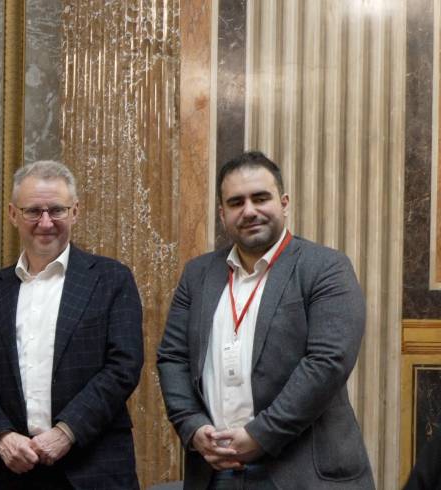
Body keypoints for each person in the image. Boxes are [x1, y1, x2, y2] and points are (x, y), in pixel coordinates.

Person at [158, 151, 373, 489]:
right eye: (236, 202)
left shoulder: (325, 268)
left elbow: (328, 362)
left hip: (301, 472)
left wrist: (260, 435)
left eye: (261, 198)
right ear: (222, 213)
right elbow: (172, 358)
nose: (249, 211)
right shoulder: (197, 274)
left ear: (284, 203)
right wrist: (192, 426)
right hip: (215, 470)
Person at [0, 160, 143, 489]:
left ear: (75, 212)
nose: (45, 223)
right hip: (11, 470)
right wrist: (2, 437)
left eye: (56, 210)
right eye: (33, 211)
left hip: (94, 468)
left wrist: (66, 432)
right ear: (13, 214)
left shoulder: (111, 280)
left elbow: (123, 367)